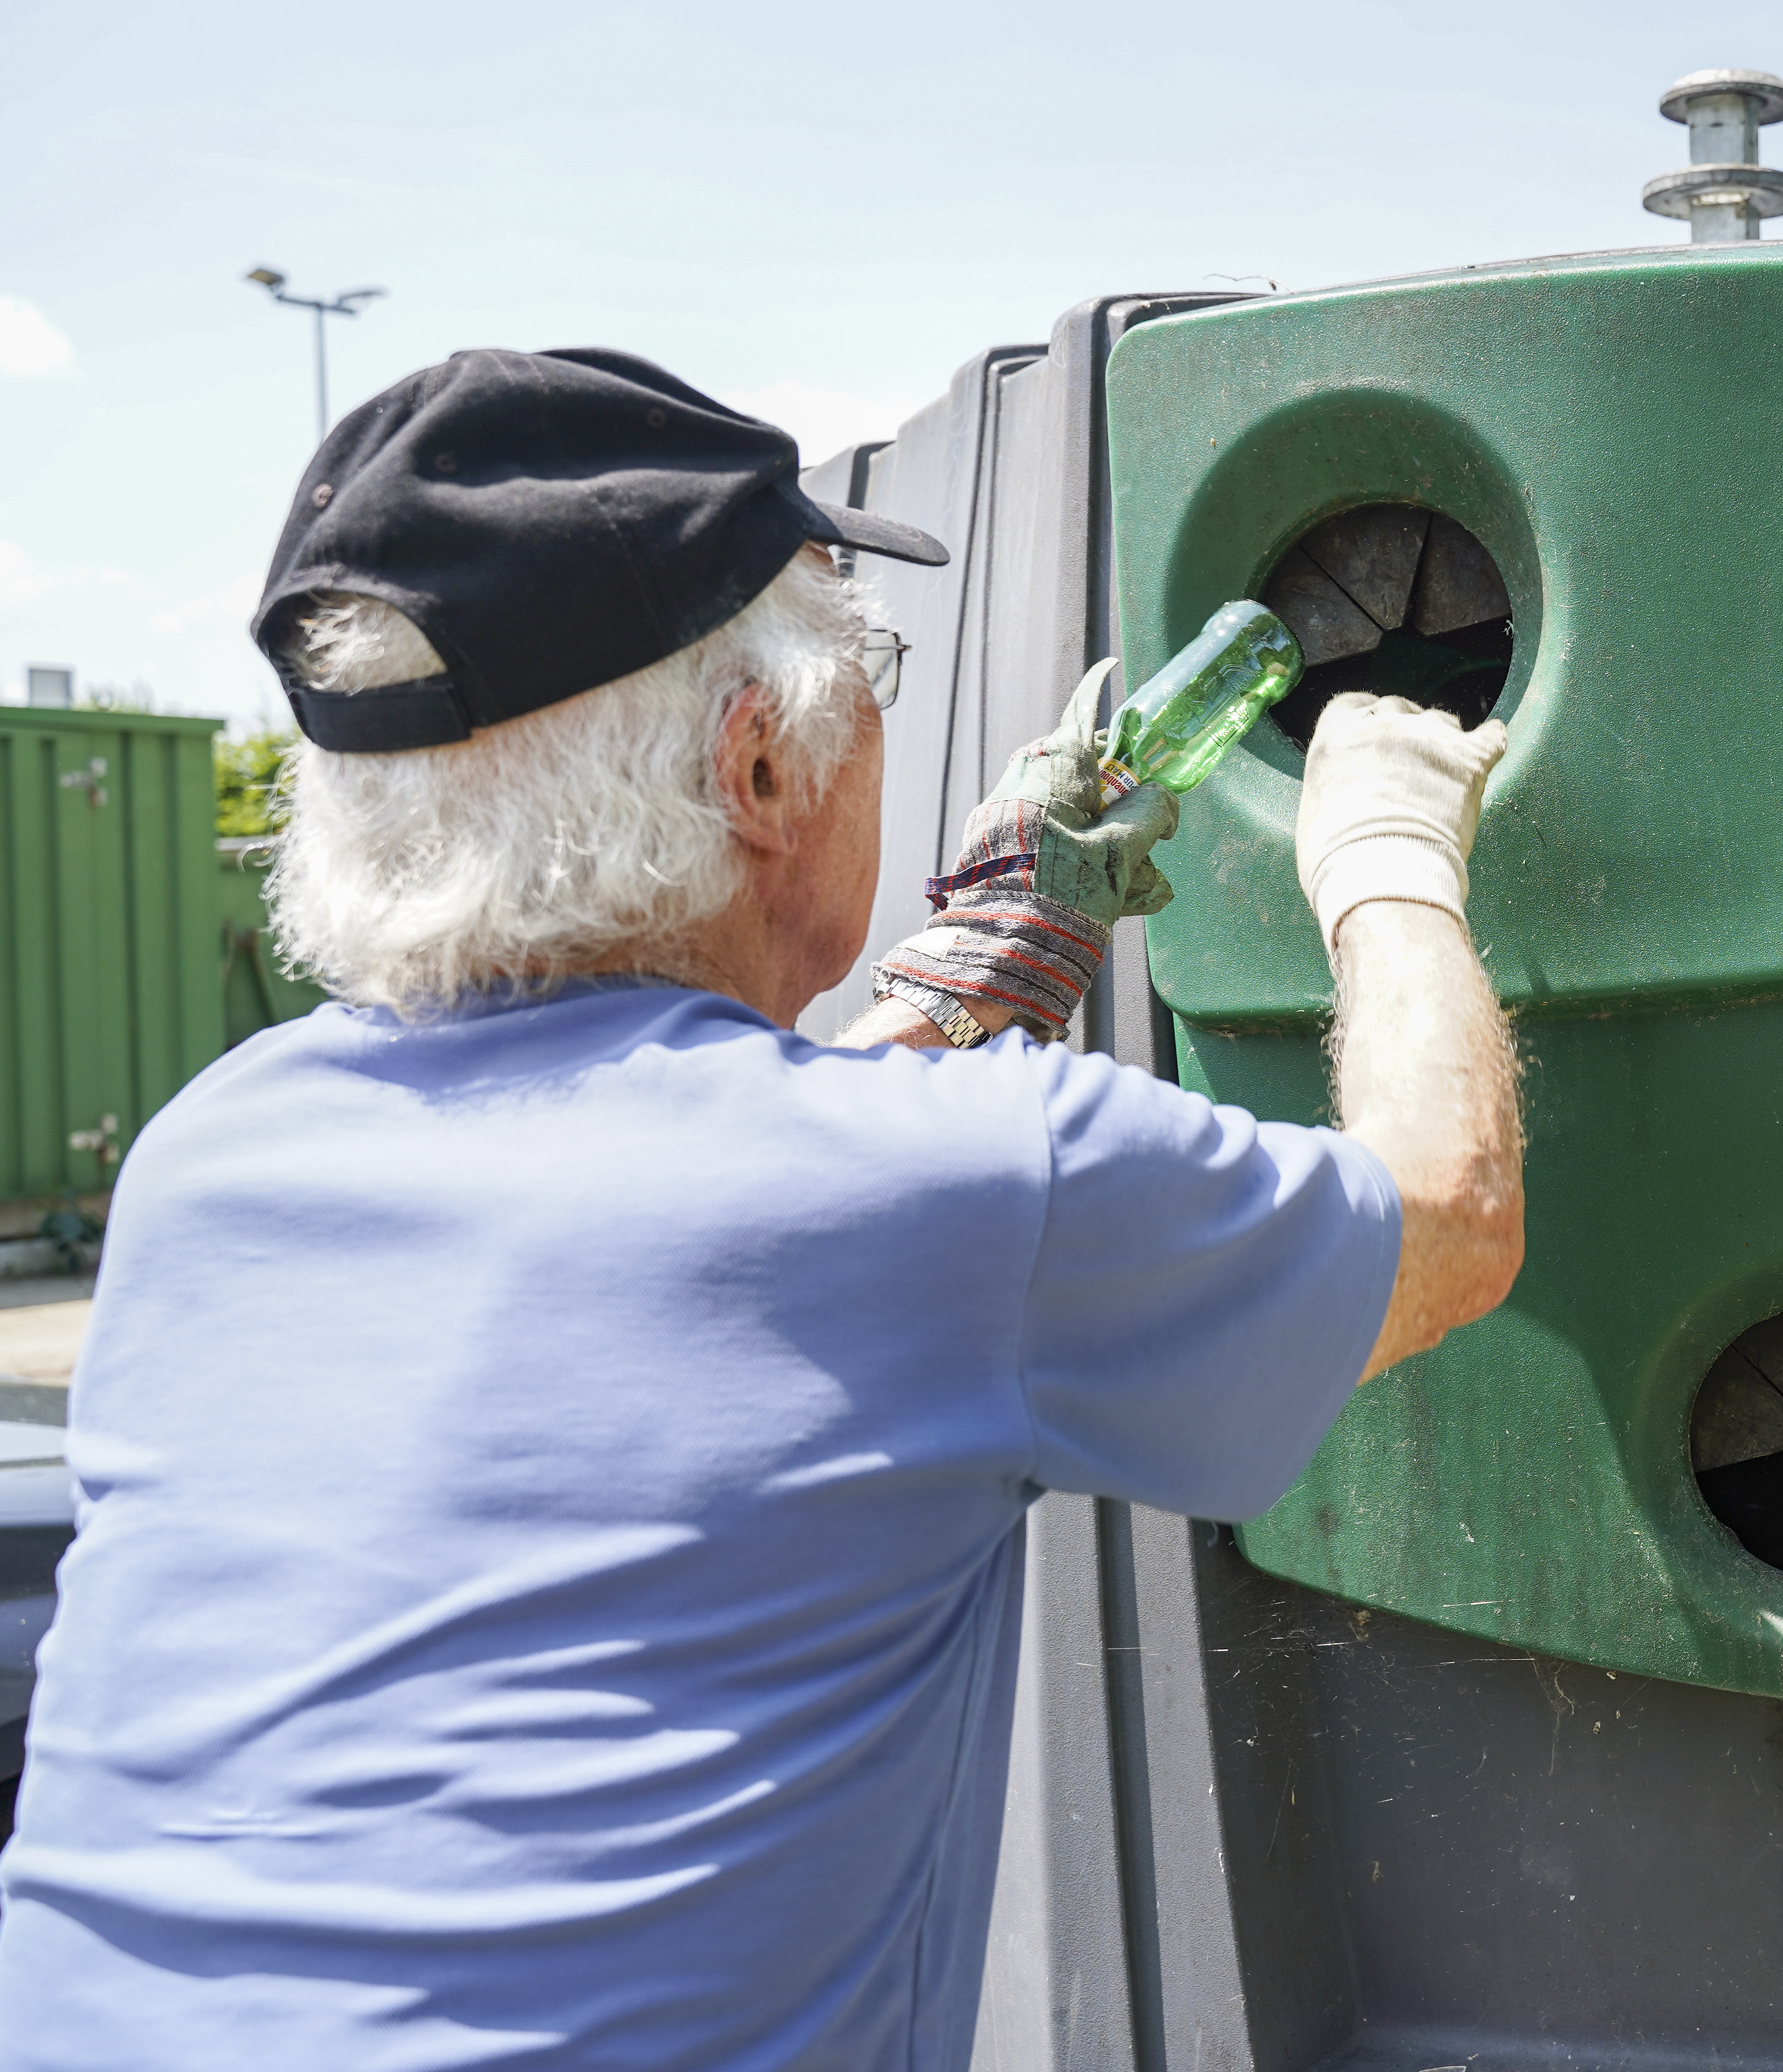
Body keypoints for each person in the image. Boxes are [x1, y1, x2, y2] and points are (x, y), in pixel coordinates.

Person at [0, 349, 1522, 2069]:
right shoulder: (954, 1190)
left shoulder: (210, 1160)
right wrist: (1386, 856)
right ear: (759, 770)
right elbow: (1446, 1216)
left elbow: (752, 1213)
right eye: (862, 668)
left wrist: (1004, 927)